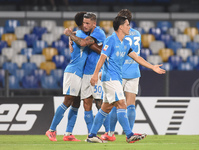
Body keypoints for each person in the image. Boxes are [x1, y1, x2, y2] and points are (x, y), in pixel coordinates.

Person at [87, 16, 166, 143]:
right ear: (120, 27)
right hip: (110, 78)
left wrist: (152, 67)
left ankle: (91, 136)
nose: (130, 27)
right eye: (127, 24)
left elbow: (136, 57)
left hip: (116, 78)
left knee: (105, 108)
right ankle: (129, 135)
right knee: (122, 104)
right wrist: (95, 74)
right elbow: (102, 58)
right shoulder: (110, 40)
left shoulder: (125, 42)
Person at [100, 9, 145, 141]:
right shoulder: (137, 34)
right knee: (130, 104)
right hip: (134, 72)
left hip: (119, 72)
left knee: (117, 103)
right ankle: (129, 134)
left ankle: (110, 133)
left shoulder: (119, 35)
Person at [45, 12, 89, 142]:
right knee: (68, 100)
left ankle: (68, 133)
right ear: (83, 23)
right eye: (86, 21)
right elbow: (83, 42)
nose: (89, 24)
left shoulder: (79, 34)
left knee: (76, 103)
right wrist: (71, 34)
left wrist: (71, 34)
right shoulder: (81, 35)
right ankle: (51, 130)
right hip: (73, 72)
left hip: (79, 73)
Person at [63, 12, 109, 135]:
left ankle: (109, 133)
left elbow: (86, 44)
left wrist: (71, 36)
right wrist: (73, 37)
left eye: (87, 23)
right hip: (85, 73)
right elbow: (82, 42)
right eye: (83, 23)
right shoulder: (84, 34)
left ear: (94, 23)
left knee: (100, 104)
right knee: (87, 104)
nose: (85, 25)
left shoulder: (98, 32)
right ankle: (91, 134)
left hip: (97, 71)